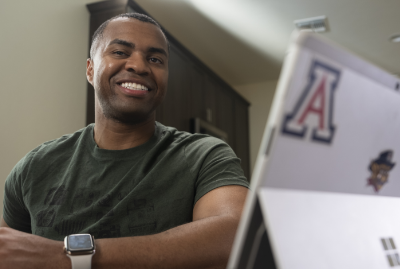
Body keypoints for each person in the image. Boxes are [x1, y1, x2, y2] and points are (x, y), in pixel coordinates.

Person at [0, 13, 249, 269]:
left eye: (155, 59)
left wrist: (70, 256)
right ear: (90, 69)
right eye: (120, 52)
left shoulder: (204, 155)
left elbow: (236, 235)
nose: (139, 66)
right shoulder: (34, 168)